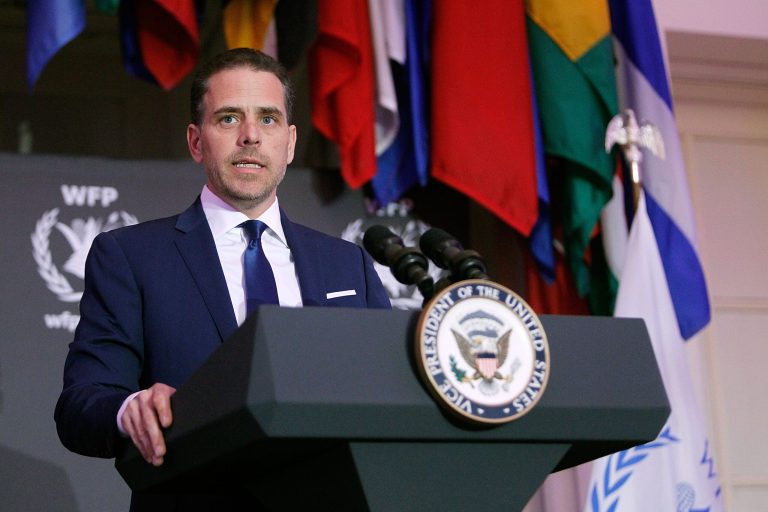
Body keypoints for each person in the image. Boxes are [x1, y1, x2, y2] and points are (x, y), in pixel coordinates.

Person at [54, 48, 390, 508]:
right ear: (196, 141)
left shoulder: (348, 264)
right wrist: (130, 410)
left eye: (268, 119)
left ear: (290, 143)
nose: (251, 136)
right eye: (229, 119)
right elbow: (80, 405)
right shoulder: (131, 257)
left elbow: (385, 398)